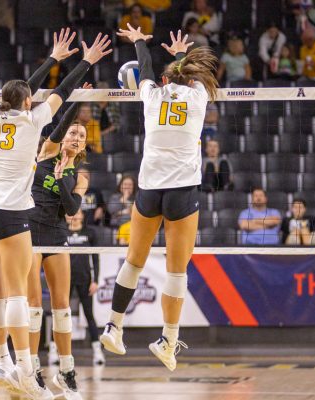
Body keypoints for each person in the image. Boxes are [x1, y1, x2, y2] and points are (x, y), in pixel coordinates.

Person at [0, 27, 111, 399]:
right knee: (18, 297)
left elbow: (19, 93)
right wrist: (84, 62)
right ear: (29, 101)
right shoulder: (33, 122)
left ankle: (4, 363)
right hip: (10, 213)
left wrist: (50, 59)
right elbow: (60, 93)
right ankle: (29, 374)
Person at [100, 27, 218, 371]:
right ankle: (167, 340)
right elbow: (183, 76)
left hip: (149, 188)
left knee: (134, 262)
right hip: (182, 191)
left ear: (164, 83)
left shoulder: (151, 97)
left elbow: (146, 70)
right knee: (176, 270)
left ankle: (114, 325)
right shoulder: (198, 99)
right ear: (188, 80)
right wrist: (181, 53)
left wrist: (140, 41)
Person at [28, 83, 92, 398]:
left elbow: (71, 209)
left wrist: (64, 173)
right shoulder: (47, 151)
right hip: (28, 232)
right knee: (32, 307)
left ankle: (66, 372)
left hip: (55, 234)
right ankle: (32, 370)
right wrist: (77, 101)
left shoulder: (79, 175)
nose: (75, 137)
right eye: (72, 133)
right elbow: (61, 125)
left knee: (62, 307)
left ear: (83, 147)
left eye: (81, 136)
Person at [66, 209, 105, 366]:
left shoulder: (90, 233)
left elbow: (95, 258)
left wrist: (95, 280)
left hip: (84, 279)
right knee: (60, 315)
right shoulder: (61, 232)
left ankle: (97, 352)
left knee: (89, 315)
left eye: (77, 213)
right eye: (71, 213)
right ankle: (55, 352)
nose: (74, 216)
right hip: (65, 280)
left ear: (82, 216)